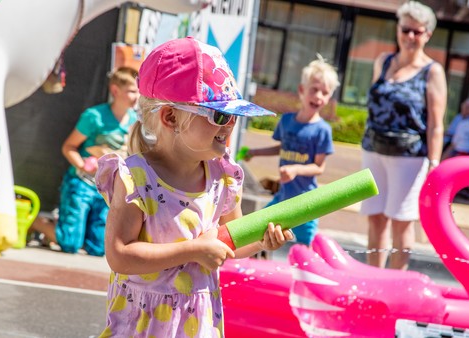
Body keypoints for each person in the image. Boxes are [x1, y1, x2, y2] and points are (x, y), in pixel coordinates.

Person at [95, 37, 293, 337]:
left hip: (196, 325)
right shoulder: (136, 179)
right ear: (171, 117)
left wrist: (262, 242)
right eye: (220, 115)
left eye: (234, 116)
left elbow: (232, 242)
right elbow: (120, 254)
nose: (229, 125)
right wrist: (192, 250)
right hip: (142, 326)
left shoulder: (223, 179)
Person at [360, 1, 447, 270]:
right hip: (374, 149)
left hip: (409, 157)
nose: (410, 36)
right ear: (398, 29)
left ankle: (396, 282)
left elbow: (436, 124)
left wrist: (434, 163)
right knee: (375, 216)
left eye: (417, 32)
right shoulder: (383, 61)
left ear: (427, 35)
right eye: (406, 29)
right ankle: (374, 278)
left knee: (401, 219)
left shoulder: (432, 71)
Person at [31, 66, 140, 256]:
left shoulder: (134, 121)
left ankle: (58, 231)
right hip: (82, 183)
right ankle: (35, 222)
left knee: (99, 248)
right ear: (115, 90)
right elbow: (69, 147)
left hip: (107, 188)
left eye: (138, 91)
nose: (136, 96)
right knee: (70, 243)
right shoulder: (94, 117)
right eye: (131, 91)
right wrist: (83, 165)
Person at [245, 56, 340, 246]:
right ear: (302, 90)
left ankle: (306, 273)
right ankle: (255, 264)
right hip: (284, 196)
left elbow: (318, 167)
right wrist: (255, 152)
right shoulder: (287, 121)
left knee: (306, 245)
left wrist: (296, 169)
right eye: (314, 90)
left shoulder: (322, 130)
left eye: (325, 93)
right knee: (261, 229)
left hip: (307, 202)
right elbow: (282, 148)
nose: (319, 96)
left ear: (329, 98)